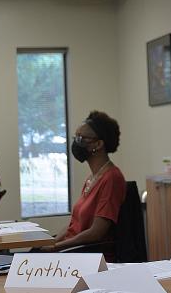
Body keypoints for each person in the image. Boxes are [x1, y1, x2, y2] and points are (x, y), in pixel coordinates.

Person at [40, 111, 127, 259]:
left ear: (98, 144)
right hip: (73, 249)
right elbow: (73, 225)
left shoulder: (112, 178)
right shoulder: (92, 178)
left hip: (86, 254)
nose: (76, 142)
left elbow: (96, 232)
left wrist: (56, 247)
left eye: (81, 138)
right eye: (76, 137)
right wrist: (52, 242)